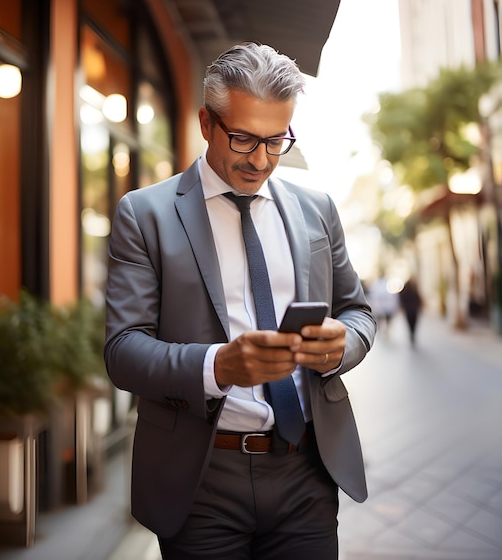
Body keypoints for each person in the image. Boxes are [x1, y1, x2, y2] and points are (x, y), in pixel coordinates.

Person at [104, 42, 376, 559]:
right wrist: (219, 364)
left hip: (307, 473)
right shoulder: (145, 214)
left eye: (278, 141)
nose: (262, 160)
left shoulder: (316, 209)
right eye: (245, 139)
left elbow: (358, 312)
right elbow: (122, 350)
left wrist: (343, 345)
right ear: (207, 124)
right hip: (201, 479)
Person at [399, 278, 422, 347]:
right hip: (413, 310)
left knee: (410, 323)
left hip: (408, 310)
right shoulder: (414, 291)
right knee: (413, 323)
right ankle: (412, 334)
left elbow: (402, 301)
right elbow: (419, 299)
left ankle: (411, 334)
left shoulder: (405, 292)